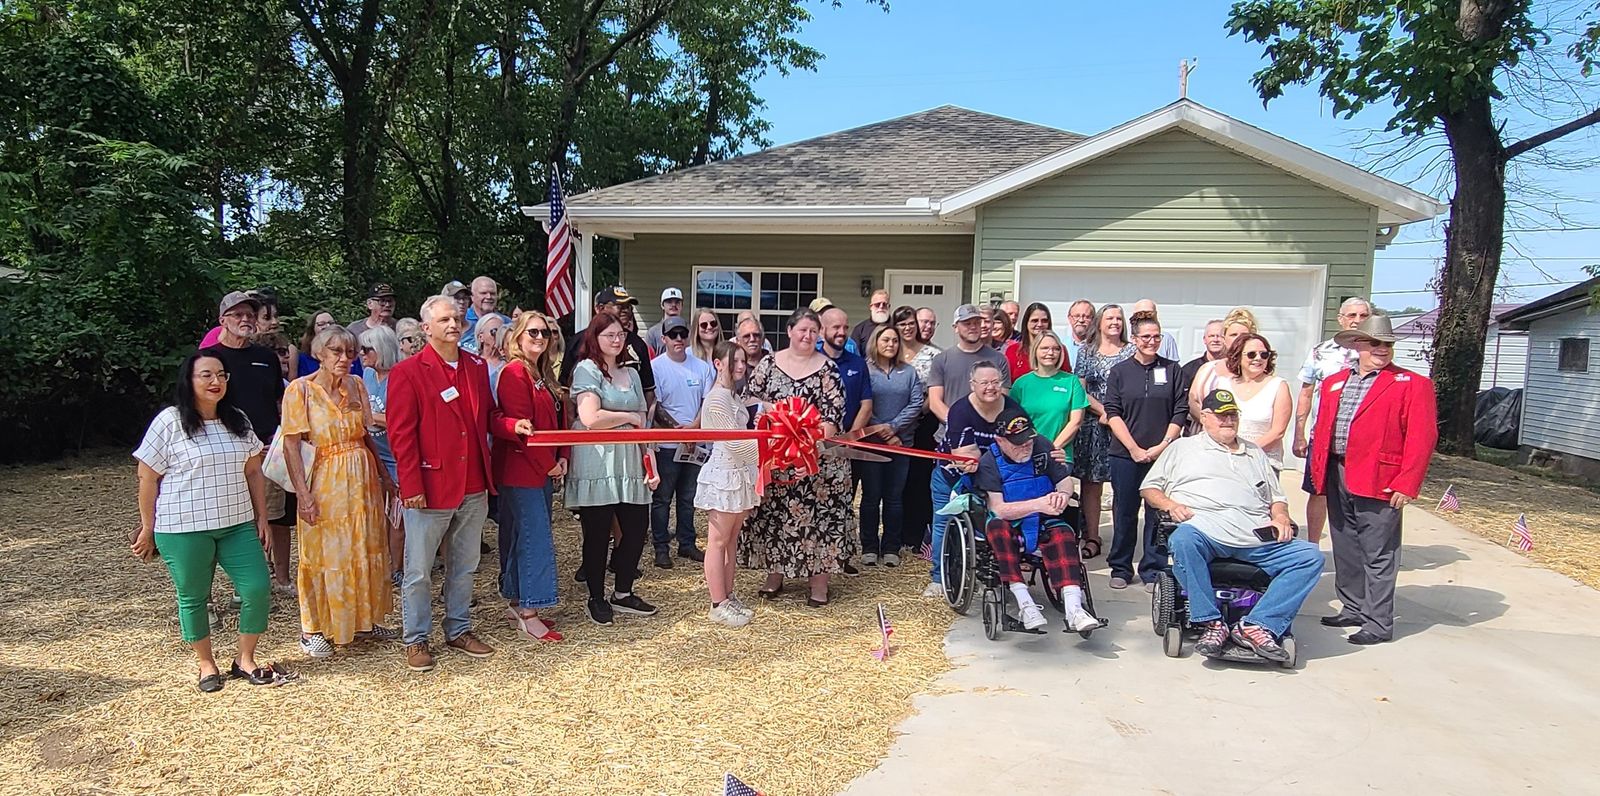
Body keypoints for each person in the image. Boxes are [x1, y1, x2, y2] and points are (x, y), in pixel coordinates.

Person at [133, 352, 287, 692]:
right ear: (189, 380)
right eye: (206, 375)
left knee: (258, 589)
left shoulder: (237, 419)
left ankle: (244, 659)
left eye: (221, 375)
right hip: (183, 529)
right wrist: (148, 527)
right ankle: (206, 664)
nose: (215, 381)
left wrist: (261, 516)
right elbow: (147, 477)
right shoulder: (170, 422)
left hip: (236, 524)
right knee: (194, 596)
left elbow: (253, 472)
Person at [1140, 388, 1325, 661]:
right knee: (1182, 540)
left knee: (1309, 556)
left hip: (1255, 534)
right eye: (1221, 416)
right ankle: (1210, 622)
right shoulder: (1182, 448)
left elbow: (1276, 497)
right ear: (1204, 417)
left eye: (1232, 416)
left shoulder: (1253, 452)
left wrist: (1281, 515)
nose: (1228, 421)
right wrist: (1171, 506)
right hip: (1204, 529)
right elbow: (1149, 488)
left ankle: (1258, 624)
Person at [388, 295, 504, 671]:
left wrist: (513, 426)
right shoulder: (408, 372)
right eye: (444, 320)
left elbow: (489, 418)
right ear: (426, 328)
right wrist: (411, 485)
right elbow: (401, 434)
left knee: (465, 564)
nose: (453, 325)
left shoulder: (474, 367)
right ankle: (416, 638)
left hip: (473, 485)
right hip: (430, 485)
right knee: (419, 569)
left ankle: (458, 628)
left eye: (456, 318)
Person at [1310, 314, 1437, 645]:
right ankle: (1353, 606)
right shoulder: (1335, 381)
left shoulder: (1412, 384)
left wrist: (1407, 483)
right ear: (1358, 346)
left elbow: (1422, 438)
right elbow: (1323, 429)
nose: (1383, 349)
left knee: (1379, 552)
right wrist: (1318, 472)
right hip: (1338, 473)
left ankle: (1378, 622)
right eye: (1376, 343)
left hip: (1380, 477)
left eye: (1388, 344)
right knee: (1345, 546)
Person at [280, 327, 398, 658]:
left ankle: (364, 618)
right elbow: (291, 447)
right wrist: (303, 495)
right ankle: (313, 628)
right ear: (319, 353)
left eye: (350, 352)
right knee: (324, 553)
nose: (344, 359)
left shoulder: (357, 384)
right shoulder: (300, 391)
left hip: (361, 482)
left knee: (364, 546)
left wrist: (385, 476)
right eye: (336, 352)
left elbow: (365, 436)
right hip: (325, 479)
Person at [740, 309, 855, 607]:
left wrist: (806, 439)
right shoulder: (768, 363)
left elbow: (834, 416)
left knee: (820, 520)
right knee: (776, 516)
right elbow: (751, 403)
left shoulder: (828, 369)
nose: (808, 336)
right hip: (777, 461)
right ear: (789, 330)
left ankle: (819, 585)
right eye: (802, 330)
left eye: (813, 332)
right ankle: (775, 575)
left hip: (817, 463)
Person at [567, 313, 661, 625]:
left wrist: (651, 461)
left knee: (635, 529)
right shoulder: (586, 370)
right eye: (609, 335)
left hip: (631, 461)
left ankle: (623, 592)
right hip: (598, 461)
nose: (617, 339)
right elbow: (590, 418)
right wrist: (630, 418)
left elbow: (642, 422)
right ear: (595, 338)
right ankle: (596, 596)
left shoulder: (631, 374)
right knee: (597, 533)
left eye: (620, 333)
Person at [975, 407, 1102, 632]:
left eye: (1028, 441)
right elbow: (999, 509)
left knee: (1064, 534)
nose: (1026, 447)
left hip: (1044, 518)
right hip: (1011, 522)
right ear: (1001, 441)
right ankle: (1025, 603)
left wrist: (1062, 496)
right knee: (996, 528)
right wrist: (1039, 504)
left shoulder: (1042, 445)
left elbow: (1064, 481)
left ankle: (1074, 609)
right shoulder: (989, 462)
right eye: (1018, 443)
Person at [202, 292, 291, 594]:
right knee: (227, 520)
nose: (245, 320)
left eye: (250, 315)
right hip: (225, 453)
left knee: (273, 517)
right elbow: (200, 407)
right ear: (222, 320)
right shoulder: (209, 360)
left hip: (266, 451)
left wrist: (281, 440)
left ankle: (279, 581)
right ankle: (237, 587)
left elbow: (280, 402)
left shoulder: (266, 358)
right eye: (237, 315)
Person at [491, 310, 567, 642]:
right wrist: (547, 464)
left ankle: (516, 600)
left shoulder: (542, 373)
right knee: (535, 538)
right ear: (518, 337)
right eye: (533, 332)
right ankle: (530, 611)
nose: (539, 338)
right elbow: (522, 428)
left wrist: (561, 457)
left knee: (524, 537)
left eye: (545, 334)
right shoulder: (514, 373)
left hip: (539, 468)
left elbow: (556, 423)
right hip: (522, 470)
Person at [1103, 311, 1187, 591]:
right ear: (1135, 339)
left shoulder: (1173, 370)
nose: (1152, 341)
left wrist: (1162, 445)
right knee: (1125, 511)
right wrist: (1134, 448)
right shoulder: (1120, 371)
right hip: (1125, 454)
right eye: (1146, 337)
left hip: (1162, 455)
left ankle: (1153, 569)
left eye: (1156, 336)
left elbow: (1180, 411)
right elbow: (1112, 413)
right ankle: (1121, 567)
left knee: (1156, 513)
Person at [926, 360, 1023, 598]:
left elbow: (1021, 448)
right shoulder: (960, 411)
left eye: (995, 382)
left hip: (995, 479)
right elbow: (967, 457)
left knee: (995, 524)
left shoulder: (1014, 410)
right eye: (984, 383)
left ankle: (993, 574)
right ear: (972, 385)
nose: (990, 387)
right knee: (942, 523)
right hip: (951, 476)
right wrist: (1000, 455)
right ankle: (939, 578)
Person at [1009, 331, 1095, 554]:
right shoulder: (1022, 384)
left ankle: (1053, 547)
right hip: (1025, 454)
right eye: (1045, 348)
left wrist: (1051, 449)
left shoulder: (1071, 382)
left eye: (1055, 349)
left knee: (1053, 502)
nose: (1050, 353)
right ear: (1035, 351)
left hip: (1058, 455)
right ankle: (1026, 547)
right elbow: (1014, 422)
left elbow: (1075, 422)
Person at [1294, 297, 1371, 543]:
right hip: (1323, 436)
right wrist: (1299, 434)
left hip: (1363, 440)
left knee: (1358, 494)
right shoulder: (1321, 352)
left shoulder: (1377, 352)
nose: (1357, 321)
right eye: (1352, 316)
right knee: (1318, 491)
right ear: (1341, 319)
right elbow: (1306, 392)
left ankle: (1355, 547)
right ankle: (1312, 546)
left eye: (1363, 316)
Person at [696, 342, 761, 627]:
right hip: (725, 471)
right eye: (734, 361)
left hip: (741, 472)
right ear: (718, 363)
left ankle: (728, 595)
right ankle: (717, 602)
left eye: (743, 361)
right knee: (718, 540)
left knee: (732, 540)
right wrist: (770, 454)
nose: (739, 366)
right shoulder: (717, 398)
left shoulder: (734, 397)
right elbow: (734, 442)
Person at [648, 316, 714, 568]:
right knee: (663, 498)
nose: (678, 339)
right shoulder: (656, 366)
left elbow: (707, 401)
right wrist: (679, 431)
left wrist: (694, 429)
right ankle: (661, 547)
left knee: (688, 498)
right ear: (663, 338)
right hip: (667, 444)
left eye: (682, 334)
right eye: (672, 334)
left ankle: (687, 543)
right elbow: (656, 404)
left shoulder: (702, 367)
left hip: (695, 443)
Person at [859, 323, 924, 566]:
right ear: (876, 342)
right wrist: (882, 431)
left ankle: (891, 548)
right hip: (872, 444)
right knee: (870, 497)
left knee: (894, 498)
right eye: (885, 340)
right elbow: (863, 404)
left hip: (901, 444)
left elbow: (916, 403)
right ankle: (868, 546)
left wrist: (894, 428)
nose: (890, 344)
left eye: (894, 341)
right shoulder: (866, 370)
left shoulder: (909, 372)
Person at [1073, 303, 1133, 554]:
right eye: (1110, 318)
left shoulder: (1131, 351)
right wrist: (1104, 412)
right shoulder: (1087, 351)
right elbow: (1080, 389)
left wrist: (1117, 415)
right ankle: (1093, 537)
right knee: (1092, 483)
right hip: (1094, 424)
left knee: (1123, 484)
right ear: (1099, 322)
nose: (1115, 322)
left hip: (1125, 423)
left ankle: (1121, 540)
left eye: (1119, 318)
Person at [358, 325, 404, 586]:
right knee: (381, 512)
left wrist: (367, 417)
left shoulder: (399, 377)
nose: (362, 354)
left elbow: (398, 420)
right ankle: (384, 562)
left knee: (398, 515)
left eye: (367, 349)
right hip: (375, 452)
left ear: (382, 350)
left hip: (396, 455)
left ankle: (396, 568)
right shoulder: (367, 374)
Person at [894, 305, 940, 557]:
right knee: (894, 484)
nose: (909, 328)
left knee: (918, 481)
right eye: (903, 324)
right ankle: (894, 535)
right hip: (891, 427)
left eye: (912, 323)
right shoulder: (888, 349)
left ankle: (915, 536)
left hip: (923, 424)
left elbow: (935, 391)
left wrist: (915, 413)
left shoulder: (934, 355)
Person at [560, 287, 656, 406]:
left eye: (628, 307)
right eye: (619, 306)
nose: (626, 311)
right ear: (600, 308)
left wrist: (643, 420)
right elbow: (565, 387)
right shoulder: (578, 341)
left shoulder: (638, 344)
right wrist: (570, 419)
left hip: (632, 418)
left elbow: (648, 389)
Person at [926, 304, 1010, 434]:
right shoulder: (941, 359)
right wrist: (959, 424)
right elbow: (935, 402)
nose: (973, 327)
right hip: (949, 435)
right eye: (967, 323)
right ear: (955, 328)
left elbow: (1002, 399)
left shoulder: (998, 359)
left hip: (988, 434)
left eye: (977, 322)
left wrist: (980, 426)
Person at [1228, 333, 1291, 470]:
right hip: (1228, 461)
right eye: (1251, 354)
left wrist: (1246, 451)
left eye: (1264, 355)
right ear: (1238, 356)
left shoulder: (1278, 386)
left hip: (1263, 463)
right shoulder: (1224, 385)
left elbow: (1278, 431)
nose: (1258, 358)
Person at [1188, 306, 1258, 418]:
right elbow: (1193, 401)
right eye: (1233, 335)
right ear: (1224, 339)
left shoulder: (1259, 372)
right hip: (1204, 430)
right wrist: (1209, 424)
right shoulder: (1207, 369)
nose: (1238, 339)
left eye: (1243, 335)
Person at [299, 311, 363, 378]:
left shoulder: (350, 356)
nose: (327, 326)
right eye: (321, 324)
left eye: (331, 323)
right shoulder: (304, 358)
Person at [461, 276, 508, 355]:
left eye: (493, 293)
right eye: (483, 293)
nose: (489, 297)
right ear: (472, 296)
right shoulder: (462, 319)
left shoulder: (506, 323)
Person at [1179, 319, 1227, 395]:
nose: (1215, 340)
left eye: (1220, 336)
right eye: (1211, 336)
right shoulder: (1189, 370)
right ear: (1204, 340)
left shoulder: (1235, 368)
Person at [1009, 302, 1053, 381]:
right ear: (1026, 322)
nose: (1039, 324)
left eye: (1044, 320)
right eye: (1034, 320)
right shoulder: (1013, 351)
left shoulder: (1058, 350)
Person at [474, 313, 509, 396]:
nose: (498, 336)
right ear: (481, 337)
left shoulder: (509, 362)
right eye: (494, 331)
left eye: (502, 332)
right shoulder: (471, 362)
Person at [644, 287, 686, 353]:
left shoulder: (690, 331)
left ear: (682, 305)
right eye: (669, 302)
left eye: (677, 302)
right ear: (662, 305)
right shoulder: (652, 333)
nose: (673, 305)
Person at [851, 289, 892, 353]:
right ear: (871, 307)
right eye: (877, 304)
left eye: (884, 304)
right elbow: (854, 354)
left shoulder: (895, 326)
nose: (881, 307)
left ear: (889, 306)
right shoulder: (860, 329)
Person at [1064, 299, 1095, 371]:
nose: (1081, 320)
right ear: (1069, 318)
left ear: (1093, 320)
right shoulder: (1061, 346)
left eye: (1086, 316)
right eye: (1077, 316)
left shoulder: (1100, 346)